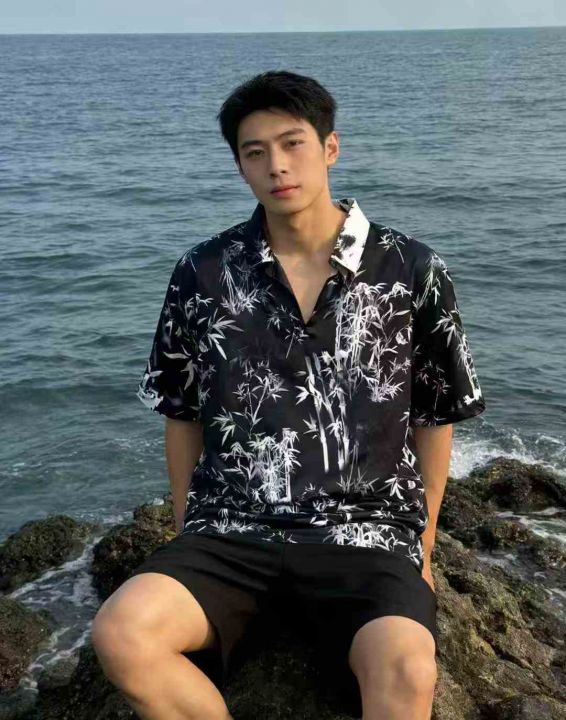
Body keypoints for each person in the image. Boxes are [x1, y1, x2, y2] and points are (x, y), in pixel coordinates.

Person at [91, 70, 486, 720]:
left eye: (292, 143)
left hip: (367, 533)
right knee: (122, 634)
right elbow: (182, 413)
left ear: (330, 147)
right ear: (240, 166)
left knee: (408, 670)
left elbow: (435, 415)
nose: (276, 165)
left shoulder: (412, 269)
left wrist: (424, 548)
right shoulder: (203, 272)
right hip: (231, 532)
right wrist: (190, 529)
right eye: (255, 152)